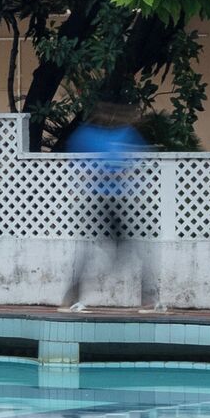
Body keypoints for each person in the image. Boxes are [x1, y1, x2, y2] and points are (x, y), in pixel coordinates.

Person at [63, 113, 150, 311]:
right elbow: (78, 164)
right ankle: (147, 298)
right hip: (101, 201)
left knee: (130, 248)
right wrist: (105, 172)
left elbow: (135, 161)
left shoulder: (123, 134)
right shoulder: (89, 135)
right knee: (102, 249)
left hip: (116, 202)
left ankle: (71, 297)